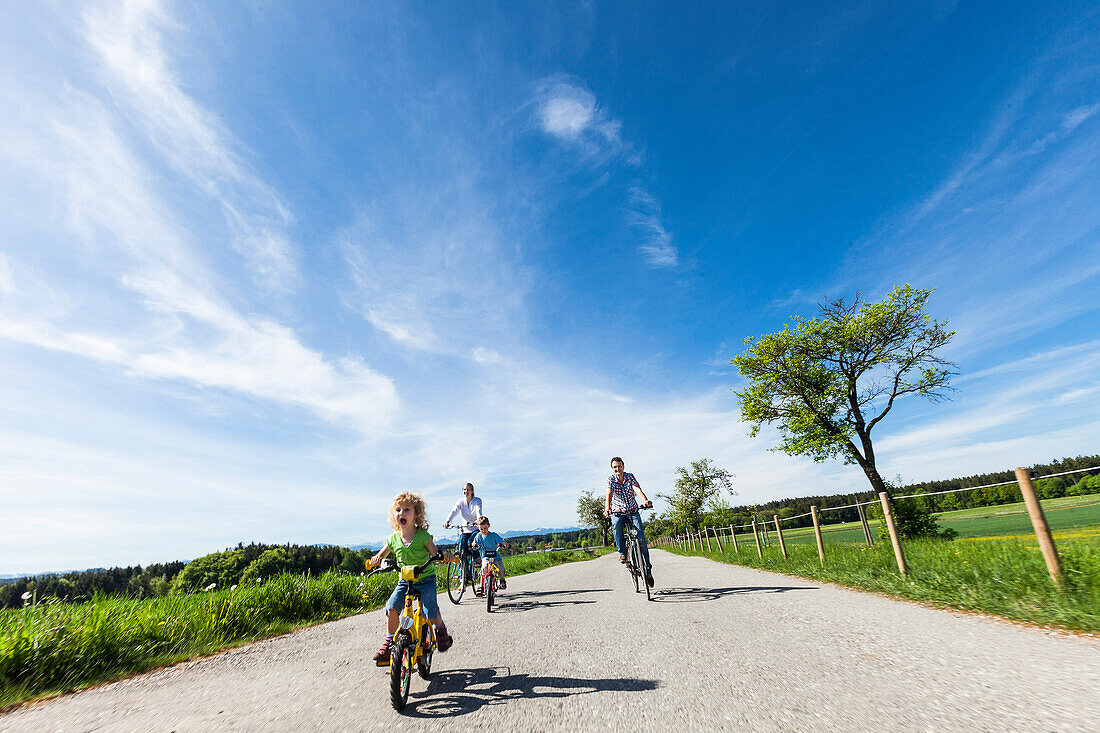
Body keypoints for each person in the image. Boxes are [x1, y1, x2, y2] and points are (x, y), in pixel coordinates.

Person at [369, 492, 454, 663]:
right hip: (405, 581)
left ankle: (440, 629)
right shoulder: (393, 538)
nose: (402, 513)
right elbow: (382, 553)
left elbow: (435, 552)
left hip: (426, 579)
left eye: (407, 509)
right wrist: (376, 559)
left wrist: (443, 556)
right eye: (398, 510)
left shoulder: (423, 536)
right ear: (394, 515)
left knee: (430, 610)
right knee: (392, 607)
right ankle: (389, 642)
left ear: (416, 514)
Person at [604, 456, 654, 587]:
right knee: (616, 524)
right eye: (615, 467)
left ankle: (648, 570)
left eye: (619, 466)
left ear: (623, 466)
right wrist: (607, 508)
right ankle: (623, 553)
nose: (617, 469)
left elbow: (637, 489)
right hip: (618, 511)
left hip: (632, 510)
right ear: (612, 468)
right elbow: (608, 494)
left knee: (641, 539)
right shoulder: (610, 480)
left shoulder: (630, 477)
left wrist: (645, 501)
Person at [443, 482, 483, 582]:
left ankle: (477, 559)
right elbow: (454, 511)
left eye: (468, 489)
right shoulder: (460, 501)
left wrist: (478, 521)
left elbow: (479, 512)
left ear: (472, 491)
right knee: (462, 550)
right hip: (465, 528)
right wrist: (448, 521)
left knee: (471, 543)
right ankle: (464, 573)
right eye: (464, 490)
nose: (466, 491)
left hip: (475, 528)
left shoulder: (477, 500)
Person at [471, 516, 510, 589]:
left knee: (500, 568)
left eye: (485, 528)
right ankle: (481, 586)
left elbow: (502, 541)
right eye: (481, 529)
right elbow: (474, 543)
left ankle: (502, 580)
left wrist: (505, 545)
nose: (483, 530)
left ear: (488, 526)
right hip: (486, 557)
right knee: (484, 568)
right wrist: (474, 545)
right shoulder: (479, 536)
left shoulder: (493, 535)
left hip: (496, 557)